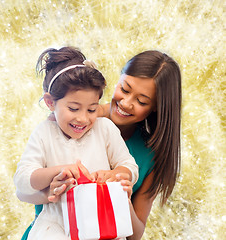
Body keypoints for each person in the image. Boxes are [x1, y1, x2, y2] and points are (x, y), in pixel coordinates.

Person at [17, 49, 181, 240]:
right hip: (52, 230)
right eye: (125, 89)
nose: (126, 103)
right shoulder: (61, 123)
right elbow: (23, 188)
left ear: (156, 107)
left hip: (101, 231)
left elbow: (134, 234)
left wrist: (121, 191)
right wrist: (53, 189)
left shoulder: (118, 137)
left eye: (142, 101)